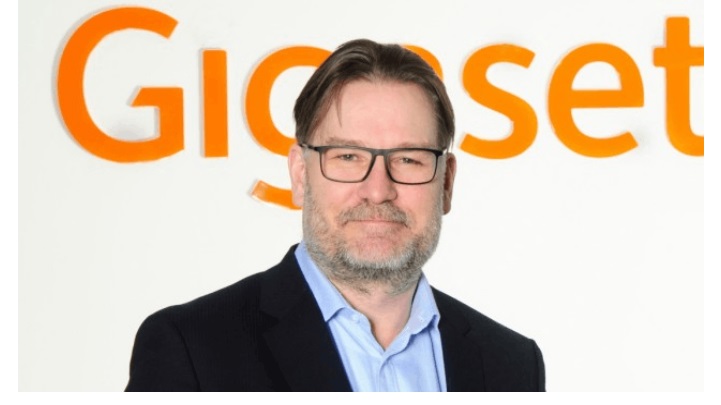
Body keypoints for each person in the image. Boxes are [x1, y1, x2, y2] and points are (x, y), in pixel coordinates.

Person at [125, 39, 545, 392]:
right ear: (300, 175)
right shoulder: (192, 350)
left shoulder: (513, 366)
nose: (378, 190)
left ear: (447, 182)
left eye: (409, 159)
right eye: (347, 156)